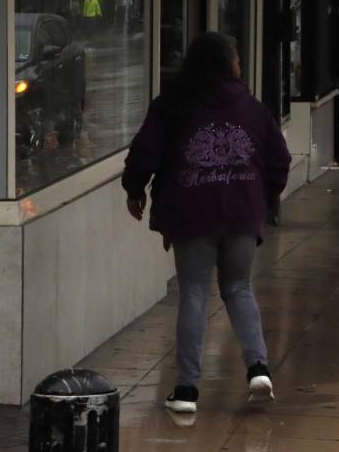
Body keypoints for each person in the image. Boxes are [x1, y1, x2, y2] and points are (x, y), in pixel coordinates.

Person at [122, 32, 291, 415]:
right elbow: (279, 160)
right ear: (228, 64)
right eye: (236, 59)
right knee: (238, 288)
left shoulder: (172, 105)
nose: (240, 65)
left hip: (191, 214)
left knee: (195, 293)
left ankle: (185, 391)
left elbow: (144, 153)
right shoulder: (252, 110)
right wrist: (261, 198)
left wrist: (135, 190)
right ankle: (258, 368)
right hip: (242, 214)